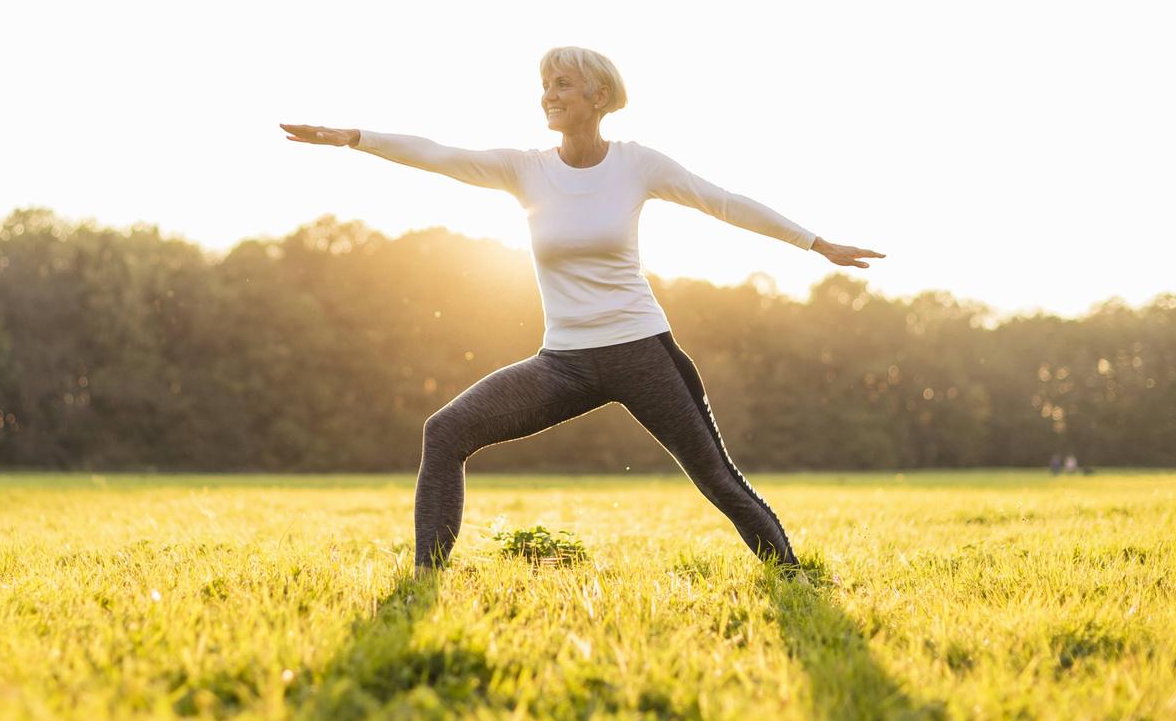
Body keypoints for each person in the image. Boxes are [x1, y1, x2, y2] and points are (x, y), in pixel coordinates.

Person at [280, 46, 884, 573]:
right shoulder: (526, 170)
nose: (548, 95)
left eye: (561, 84)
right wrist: (356, 138)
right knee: (446, 432)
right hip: (564, 362)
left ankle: (793, 578)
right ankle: (425, 580)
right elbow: (439, 153)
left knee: (716, 478)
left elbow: (720, 202)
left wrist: (815, 242)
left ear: (599, 96)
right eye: (545, 85)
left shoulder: (636, 163)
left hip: (642, 352)